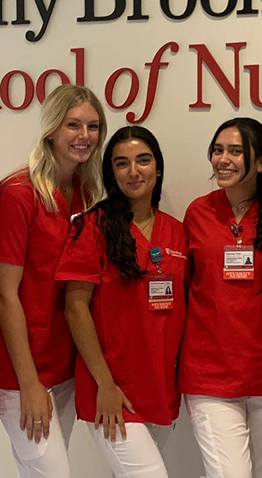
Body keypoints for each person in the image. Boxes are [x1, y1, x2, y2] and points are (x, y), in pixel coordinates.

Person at [0, 85, 107, 478]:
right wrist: (28, 383)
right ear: (51, 130)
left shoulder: (87, 195)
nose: (83, 135)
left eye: (92, 126)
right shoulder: (19, 194)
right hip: (23, 370)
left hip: (64, 367)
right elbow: (5, 295)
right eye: (73, 125)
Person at [57, 126, 187, 478]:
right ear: (110, 173)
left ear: (158, 168)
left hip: (160, 387)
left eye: (143, 161)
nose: (134, 171)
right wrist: (105, 385)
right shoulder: (92, 227)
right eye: (122, 163)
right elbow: (75, 307)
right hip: (112, 390)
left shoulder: (176, 231)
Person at [179, 117, 262, 478]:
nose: (223, 159)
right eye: (217, 150)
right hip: (211, 375)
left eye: (235, 151)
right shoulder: (198, 212)